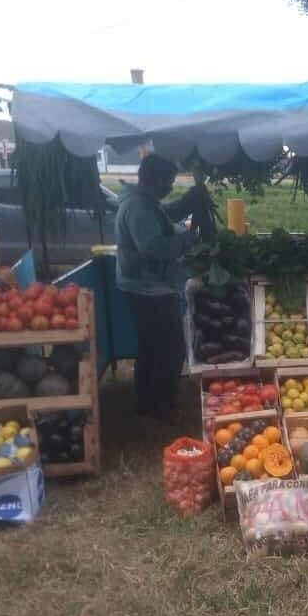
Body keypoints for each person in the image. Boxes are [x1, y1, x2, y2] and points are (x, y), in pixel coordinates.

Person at [115, 153, 208, 418]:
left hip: (147, 285)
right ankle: (160, 404)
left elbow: (164, 216)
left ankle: (148, 400)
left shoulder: (145, 202)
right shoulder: (138, 208)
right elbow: (153, 247)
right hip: (149, 289)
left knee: (152, 346)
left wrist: (187, 202)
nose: (169, 187)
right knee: (169, 347)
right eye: (167, 182)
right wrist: (186, 241)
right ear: (153, 180)